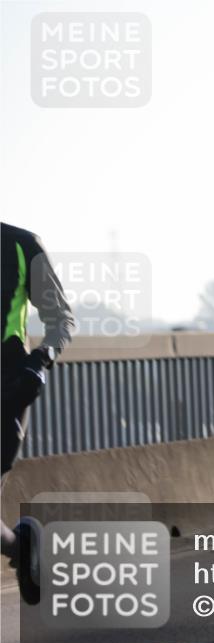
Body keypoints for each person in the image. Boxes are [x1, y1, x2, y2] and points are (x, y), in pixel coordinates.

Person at [1, 222, 75, 604]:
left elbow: (60, 318)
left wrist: (41, 359)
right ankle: (20, 547)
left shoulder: (21, 244)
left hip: (8, 388)